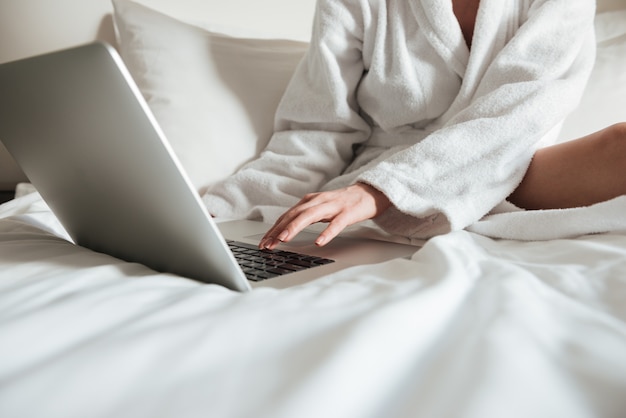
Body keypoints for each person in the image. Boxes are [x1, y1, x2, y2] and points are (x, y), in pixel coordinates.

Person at [203, 0, 624, 250]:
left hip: (505, 160)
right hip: (371, 179)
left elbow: (518, 113)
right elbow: (318, 127)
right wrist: (222, 208)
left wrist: (384, 190)